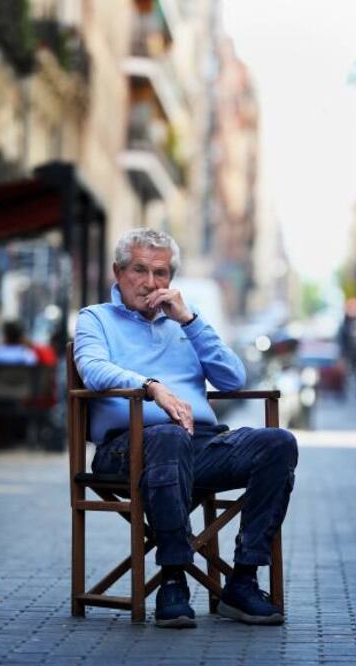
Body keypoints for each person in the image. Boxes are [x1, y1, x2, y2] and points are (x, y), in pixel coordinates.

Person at [74, 228, 298, 629]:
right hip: (127, 449)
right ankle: (174, 579)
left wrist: (191, 321)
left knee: (278, 443)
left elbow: (233, 379)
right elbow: (91, 369)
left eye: (160, 273)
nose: (150, 283)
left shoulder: (186, 320)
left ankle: (243, 581)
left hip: (199, 445)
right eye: (139, 270)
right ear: (118, 272)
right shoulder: (95, 319)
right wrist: (151, 387)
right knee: (167, 436)